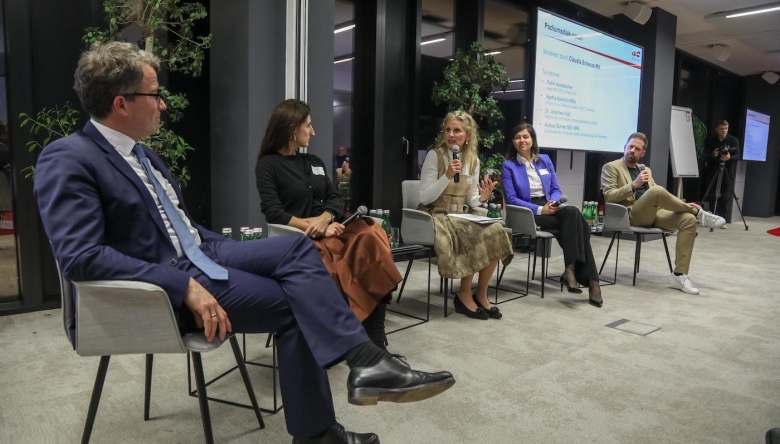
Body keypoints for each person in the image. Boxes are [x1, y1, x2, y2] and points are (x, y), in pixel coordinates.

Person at [33, 42, 455, 444]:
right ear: (121, 103)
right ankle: (326, 420)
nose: (163, 104)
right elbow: (81, 258)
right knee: (298, 305)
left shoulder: (144, 155)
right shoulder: (68, 157)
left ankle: (363, 364)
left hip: (204, 250)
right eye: (155, 95)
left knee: (296, 249)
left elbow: (180, 225)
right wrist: (182, 286)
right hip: (168, 280)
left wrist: (218, 244)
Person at [256, 99, 401, 350]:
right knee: (346, 263)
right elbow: (273, 211)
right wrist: (312, 226)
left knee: (370, 231)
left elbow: (334, 197)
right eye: (308, 126)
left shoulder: (314, 162)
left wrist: (325, 219)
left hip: (331, 229)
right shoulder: (268, 165)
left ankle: (373, 342)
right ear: (292, 128)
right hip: (299, 240)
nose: (313, 132)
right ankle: (365, 344)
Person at [601, 132, 726, 295]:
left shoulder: (645, 169)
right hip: (630, 216)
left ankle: (679, 275)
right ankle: (698, 212)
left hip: (654, 214)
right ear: (624, 147)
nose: (632, 150)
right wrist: (634, 184)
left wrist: (683, 206)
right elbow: (609, 196)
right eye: (630, 146)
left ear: (642, 153)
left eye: (637, 149)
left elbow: (660, 199)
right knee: (656, 191)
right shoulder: (611, 167)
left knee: (687, 220)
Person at [419, 110, 513, 320]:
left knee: (496, 229)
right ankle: (463, 294)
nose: (451, 135)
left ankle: (481, 293)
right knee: (474, 233)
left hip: (462, 214)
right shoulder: (435, 156)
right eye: (448, 130)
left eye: (457, 130)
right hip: (436, 214)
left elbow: (471, 199)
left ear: (468, 135)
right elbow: (425, 198)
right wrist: (447, 176)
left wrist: (482, 197)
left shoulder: (473, 160)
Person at [501, 123, 603, 307]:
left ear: (532, 140)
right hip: (527, 211)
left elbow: (556, 189)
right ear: (513, 142)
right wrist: (541, 210)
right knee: (577, 226)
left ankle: (570, 269)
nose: (522, 140)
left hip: (549, 205)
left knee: (572, 212)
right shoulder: (509, 166)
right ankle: (592, 282)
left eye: (525, 136)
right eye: (517, 137)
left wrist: (553, 202)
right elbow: (512, 199)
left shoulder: (545, 160)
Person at [703, 119, 740, 227]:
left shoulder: (733, 140)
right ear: (716, 129)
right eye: (721, 129)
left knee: (725, 196)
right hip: (713, 171)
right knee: (711, 195)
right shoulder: (711, 140)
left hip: (727, 171)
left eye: (726, 129)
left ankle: (723, 220)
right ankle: (712, 218)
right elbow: (704, 156)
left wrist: (729, 157)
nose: (724, 131)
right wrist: (713, 155)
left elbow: (738, 156)